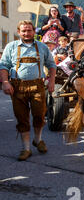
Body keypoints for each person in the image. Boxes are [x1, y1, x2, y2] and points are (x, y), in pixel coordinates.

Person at [0, 20, 56, 161]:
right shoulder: (11, 47)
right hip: (17, 88)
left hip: (38, 86)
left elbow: (52, 65)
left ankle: (38, 140)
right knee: (22, 118)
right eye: (23, 31)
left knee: (39, 115)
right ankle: (26, 148)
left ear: (34, 31)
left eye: (29, 30)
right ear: (19, 32)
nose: (26, 33)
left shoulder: (42, 47)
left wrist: (52, 81)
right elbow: (4, 66)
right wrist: (5, 82)